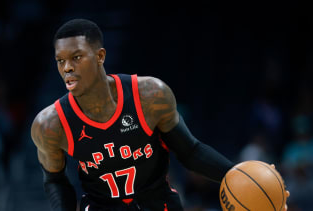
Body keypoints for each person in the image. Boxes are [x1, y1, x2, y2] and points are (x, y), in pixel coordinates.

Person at [30, 19, 288, 211]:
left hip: (159, 203)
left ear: (100, 56)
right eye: (60, 60)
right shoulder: (50, 124)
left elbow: (190, 151)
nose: (67, 68)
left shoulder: (149, 95)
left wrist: (245, 179)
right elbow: (55, 180)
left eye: (76, 57)